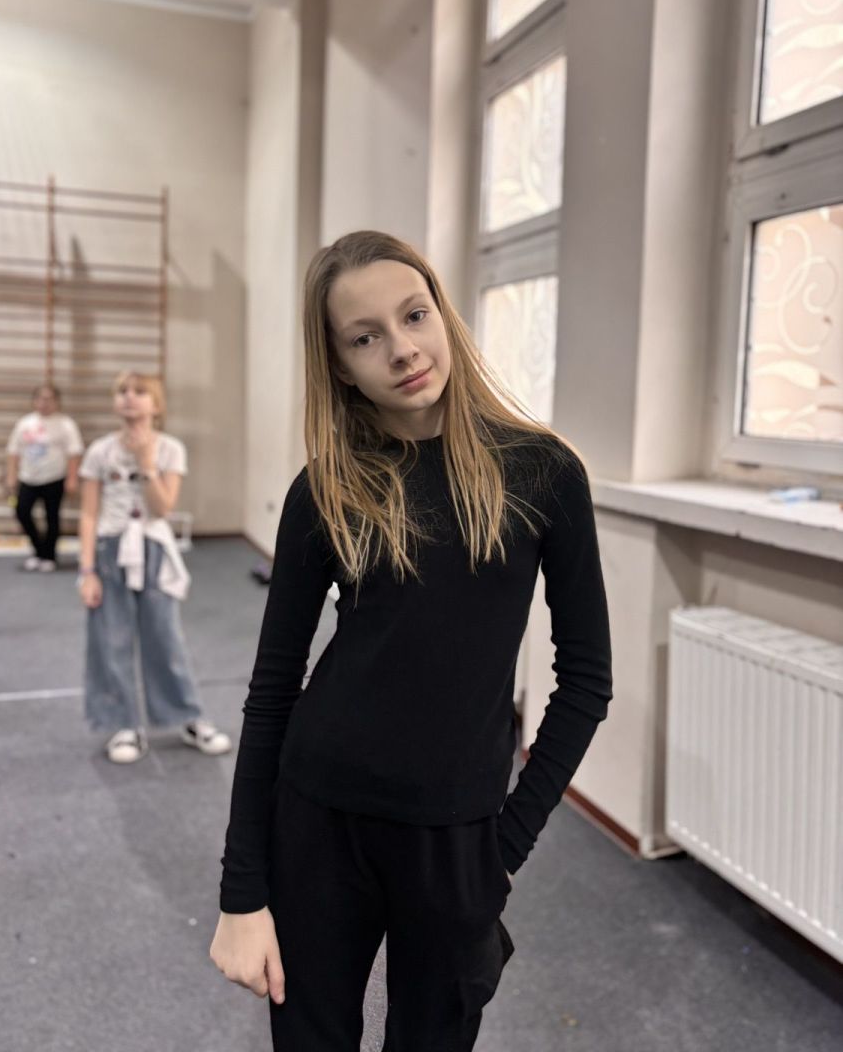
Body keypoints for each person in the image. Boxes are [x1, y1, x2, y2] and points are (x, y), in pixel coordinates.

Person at [210, 232, 614, 1050]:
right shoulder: (326, 489)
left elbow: (586, 682)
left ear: (442, 314)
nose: (401, 349)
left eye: (414, 315)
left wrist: (504, 849)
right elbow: (273, 691)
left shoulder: (543, 473)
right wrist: (241, 893)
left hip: (457, 839)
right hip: (319, 820)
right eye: (365, 337)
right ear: (340, 365)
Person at [76, 371, 232, 765]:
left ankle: (187, 715)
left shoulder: (170, 449)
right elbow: (89, 515)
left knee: (166, 636)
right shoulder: (100, 451)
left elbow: (162, 508)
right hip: (111, 551)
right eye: (122, 391)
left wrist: (147, 462)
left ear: (156, 404)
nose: (129, 398)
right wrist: (87, 571)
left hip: (154, 549)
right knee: (110, 639)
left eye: (139, 392)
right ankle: (124, 724)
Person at [5, 384, 83, 572]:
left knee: (52, 517)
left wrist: (72, 478)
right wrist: (11, 476)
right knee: (22, 512)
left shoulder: (65, 424)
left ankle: (49, 556)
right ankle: (38, 550)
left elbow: (74, 453)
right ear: (34, 401)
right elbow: (13, 451)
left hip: (54, 478)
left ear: (57, 402)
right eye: (40, 398)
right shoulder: (25, 423)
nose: (44, 403)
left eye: (49, 399)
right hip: (28, 477)